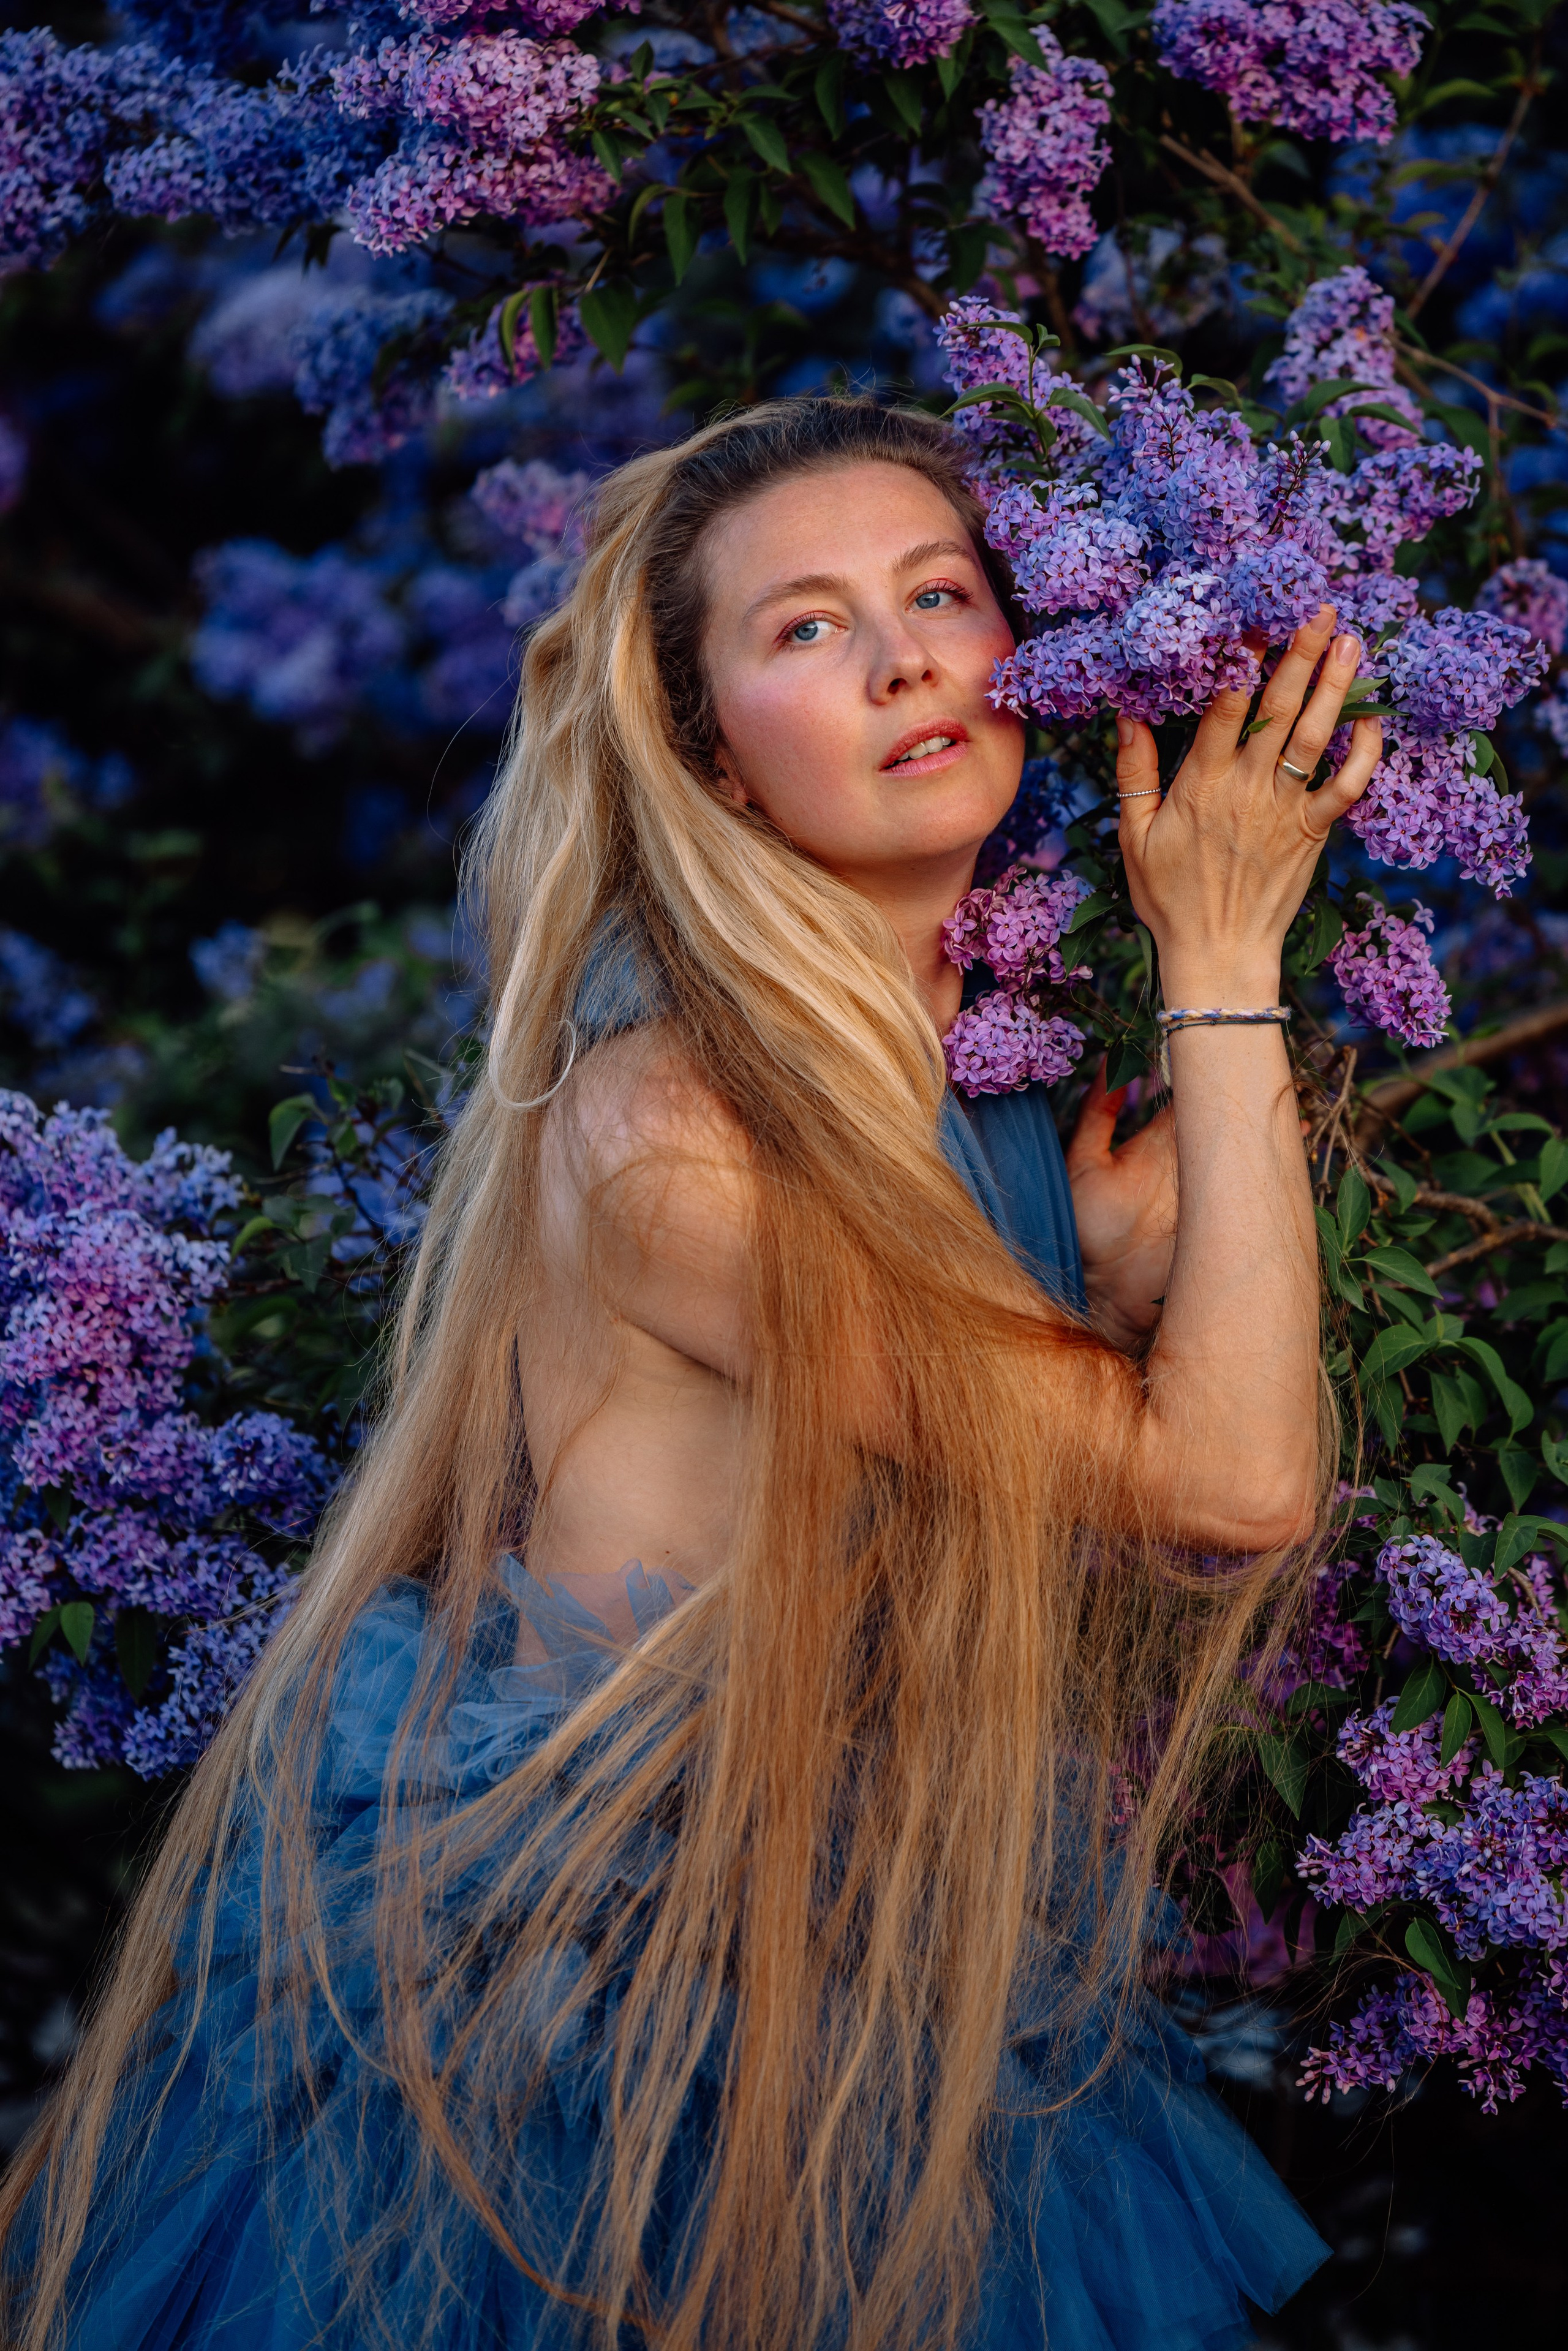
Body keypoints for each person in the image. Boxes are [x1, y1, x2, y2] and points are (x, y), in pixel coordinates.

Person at [0, 397, 1382, 2351]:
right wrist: (1223, 941)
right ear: (718, 762)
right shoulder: (683, 1136)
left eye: (942, 593)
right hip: (598, 2037)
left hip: (896, 1976)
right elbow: (1232, 1489)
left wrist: (1120, 1285)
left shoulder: (959, 1094)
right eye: (806, 629)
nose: (906, 655)